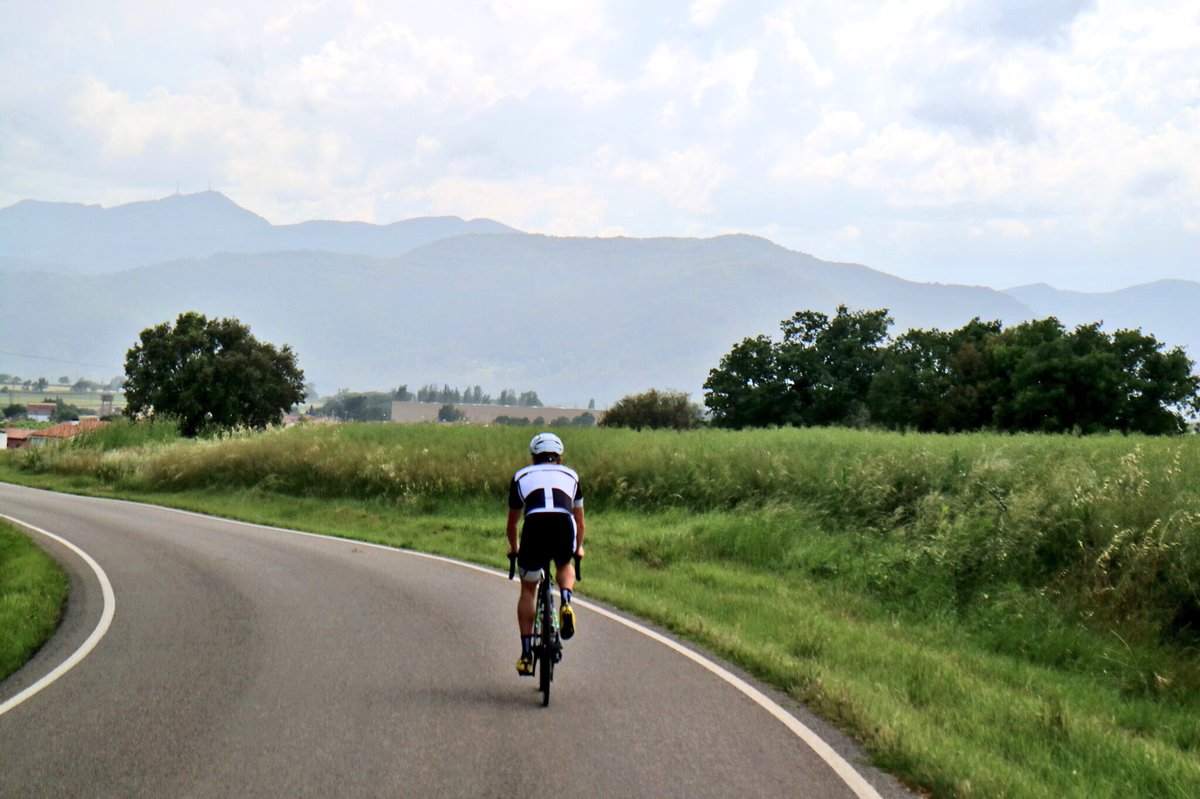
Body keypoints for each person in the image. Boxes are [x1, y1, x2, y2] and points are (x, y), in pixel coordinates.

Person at [507, 432, 586, 676]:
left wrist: (515, 548)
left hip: (535, 526)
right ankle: (565, 601)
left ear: (533, 459)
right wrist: (578, 547)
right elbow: (580, 523)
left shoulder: (521, 476)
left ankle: (526, 654)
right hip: (564, 524)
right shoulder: (572, 475)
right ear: (560, 459)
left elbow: (512, 524)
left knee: (528, 589)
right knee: (564, 563)